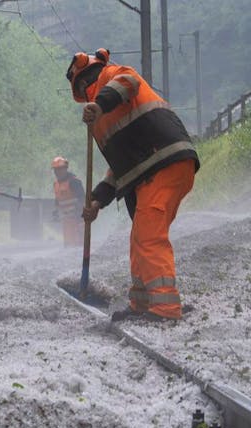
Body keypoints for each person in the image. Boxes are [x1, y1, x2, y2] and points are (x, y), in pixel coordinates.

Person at [67, 48, 199, 322]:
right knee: (140, 238)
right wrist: (97, 200)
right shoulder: (100, 122)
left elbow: (130, 81)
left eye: (82, 82)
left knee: (149, 237)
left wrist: (100, 103)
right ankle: (141, 302)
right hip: (151, 169)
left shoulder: (111, 75)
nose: (85, 88)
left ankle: (165, 309)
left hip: (162, 161)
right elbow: (118, 168)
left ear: (85, 79)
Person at [50, 156, 85, 248]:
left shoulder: (74, 181)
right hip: (67, 221)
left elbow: (82, 199)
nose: (57, 172)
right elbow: (57, 199)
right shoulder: (56, 184)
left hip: (78, 221)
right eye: (55, 170)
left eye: (60, 169)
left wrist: (80, 212)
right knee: (68, 247)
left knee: (79, 247)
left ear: (65, 169)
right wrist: (56, 211)